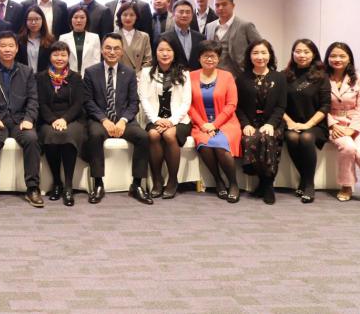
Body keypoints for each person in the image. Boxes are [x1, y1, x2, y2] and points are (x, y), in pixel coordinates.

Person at [83, 33, 152, 205]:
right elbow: (88, 101)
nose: (112, 52)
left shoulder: (129, 73)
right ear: (102, 50)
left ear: (121, 52)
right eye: (108, 48)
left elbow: (133, 103)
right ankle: (98, 183)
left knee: (143, 137)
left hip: (123, 120)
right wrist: (104, 120)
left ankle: (137, 184)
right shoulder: (91, 72)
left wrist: (123, 121)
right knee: (95, 135)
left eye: (116, 49)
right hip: (100, 120)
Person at [0, 31, 43, 207]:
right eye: (3, 46)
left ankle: (33, 188)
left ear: (16, 49)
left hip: (20, 120)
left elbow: (33, 100)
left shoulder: (27, 72)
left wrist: (29, 118)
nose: (7, 49)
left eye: (11, 46)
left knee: (32, 138)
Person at [188, 40, 242, 203]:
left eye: (213, 56)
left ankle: (233, 184)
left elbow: (231, 104)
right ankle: (218, 181)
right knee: (204, 144)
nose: (209, 59)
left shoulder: (227, 76)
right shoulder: (190, 76)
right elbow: (188, 105)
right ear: (199, 58)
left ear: (218, 58)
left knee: (219, 144)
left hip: (226, 123)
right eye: (206, 56)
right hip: (201, 124)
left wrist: (214, 125)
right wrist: (203, 124)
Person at [138, 38, 191, 199]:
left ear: (174, 53)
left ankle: (173, 181)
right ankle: (157, 180)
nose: (165, 53)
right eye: (161, 50)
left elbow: (186, 101)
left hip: (179, 120)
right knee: (153, 134)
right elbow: (144, 98)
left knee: (169, 134)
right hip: (155, 118)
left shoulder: (184, 73)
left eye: (168, 50)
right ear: (156, 52)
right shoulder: (147, 72)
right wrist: (156, 119)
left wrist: (171, 121)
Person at [235, 39, 287, 204]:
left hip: (273, 122)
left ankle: (267, 185)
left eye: (264, 52)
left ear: (270, 55)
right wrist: (245, 124)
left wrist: (271, 124)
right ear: (249, 56)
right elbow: (238, 106)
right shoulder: (242, 78)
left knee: (267, 138)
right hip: (250, 122)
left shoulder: (279, 78)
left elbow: (281, 106)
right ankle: (265, 183)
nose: (260, 57)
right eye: (255, 53)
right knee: (250, 139)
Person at [36, 41, 85, 206]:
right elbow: (41, 104)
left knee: (68, 136)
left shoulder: (76, 77)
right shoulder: (41, 77)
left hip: (72, 119)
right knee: (50, 135)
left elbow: (78, 104)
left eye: (63, 55)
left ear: (68, 57)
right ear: (50, 56)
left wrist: (64, 119)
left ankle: (68, 186)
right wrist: (53, 120)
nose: (59, 58)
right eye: (56, 54)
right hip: (48, 119)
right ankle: (57, 182)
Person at [283, 39, 330, 203]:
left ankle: (308, 184)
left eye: (306, 52)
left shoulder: (322, 77)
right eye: (298, 51)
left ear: (313, 54)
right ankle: (304, 179)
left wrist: (307, 125)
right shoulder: (284, 75)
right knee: (291, 137)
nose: (301, 55)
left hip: (315, 124)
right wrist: (290, 123)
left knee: (306, 137)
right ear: (293, 53)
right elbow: (279, 104)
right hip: (291, 123)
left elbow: (325, 106)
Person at [324, 42, 360, 202]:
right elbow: (318, 105)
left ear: (349, 58)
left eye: (342, 56)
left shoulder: (359, 79)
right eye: (333, 56)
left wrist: (352, 129)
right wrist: (332, 124)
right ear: (327, 58)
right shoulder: (321, 78)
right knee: (348, 148)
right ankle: (346, 185)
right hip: (334, 123)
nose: (337, 59)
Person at [204, 0, 261, 74]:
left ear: (233, 6)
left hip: (239, 75)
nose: (220, 8)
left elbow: (261, 48)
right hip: (214, 74)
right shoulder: (209, 27)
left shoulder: (245, 26)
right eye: (217, 5)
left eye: (224, 4)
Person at [160, 0, 203, 70]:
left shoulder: (200, 37)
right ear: (173, 14)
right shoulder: (164, 37)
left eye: (188, 12)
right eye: (181, 12)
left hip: (195, 74)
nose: (184, 15)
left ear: (192, 15)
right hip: (173, 75)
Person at [58, 6, 101, 76]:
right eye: (75, 17)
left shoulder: (94, 37)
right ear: (71, 20)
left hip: (89, 76)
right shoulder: (63, 38)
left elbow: (96, 61)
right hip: (68, 76)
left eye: (82, 17)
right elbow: (61, 60)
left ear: (87, 20)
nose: (78, 20)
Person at [116, 2, 152, 75]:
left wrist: (139, 75)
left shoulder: (144, 37)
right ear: (120, 16)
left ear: (136, 17)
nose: (128, 18)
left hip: (138, 77)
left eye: (132, 15)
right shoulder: (113, 36)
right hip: (118, 76)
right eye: (125, 15)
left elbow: (148, 60)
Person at [17, 5, 55, 73]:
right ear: (25, 21)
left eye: (37, 19)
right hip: (23, 77)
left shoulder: (50, 40)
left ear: (42, 20)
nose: (33, 22)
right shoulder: (19, 40)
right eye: (30, 19)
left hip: (44, 77)